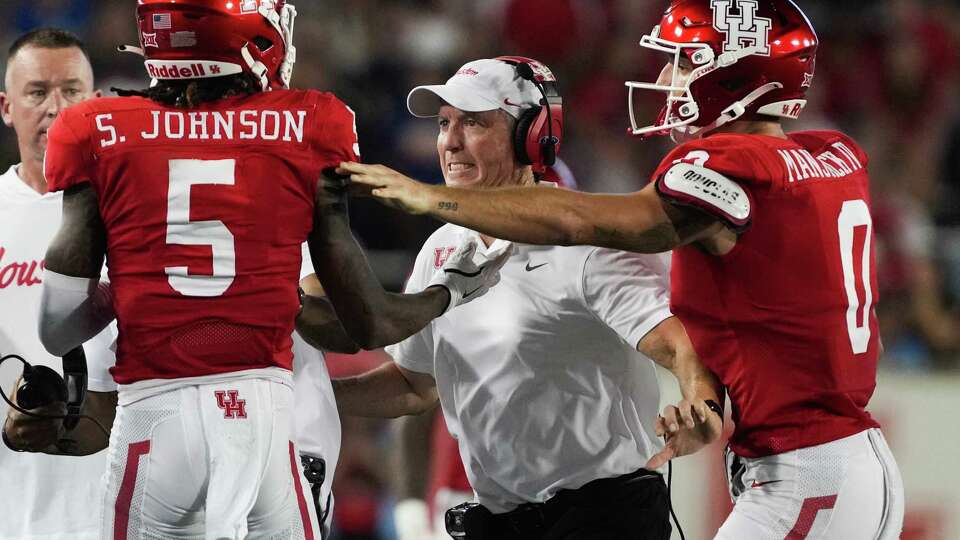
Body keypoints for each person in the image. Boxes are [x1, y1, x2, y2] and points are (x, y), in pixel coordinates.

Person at [341, 2, 906, 539]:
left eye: (684, 61)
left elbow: (586, 223)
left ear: (737, 73)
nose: (665, 77)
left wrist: (425, 197)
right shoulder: (834, 152)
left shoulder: (726, 167)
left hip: (805, 469)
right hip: (840, 459)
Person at [33, 1, 505, 538]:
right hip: (263, 421)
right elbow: (366, 325)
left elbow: (56, 329)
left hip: (153, 416)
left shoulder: (96, 129)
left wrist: (133, 285)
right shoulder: (305, 124)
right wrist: (446, 295)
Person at [333, 56, 724, 540]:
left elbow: (681, 348)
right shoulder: (442, 247)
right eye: (444, 123)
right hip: (499, 521)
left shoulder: (588, 244)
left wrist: (704, 411)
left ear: (531, 136)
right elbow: (415, 386)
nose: (450, 142)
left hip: (602, 516)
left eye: (473, 122)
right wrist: (313, 396)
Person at [0, 28, 118, 540]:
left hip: (117, 506)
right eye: (37, 91)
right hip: (13, 508)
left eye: (71, 91)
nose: (55, 107)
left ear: (94, 102)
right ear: (6, 107)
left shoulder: (135, 212)